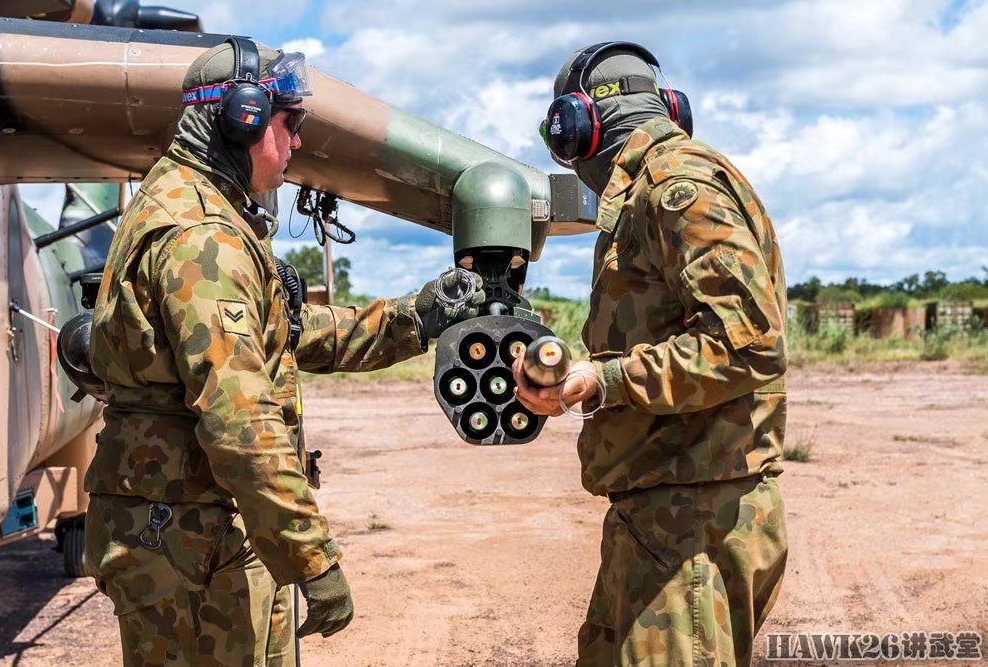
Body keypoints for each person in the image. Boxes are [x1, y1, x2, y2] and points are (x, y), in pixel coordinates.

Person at [84, 38, 481, 666]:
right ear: (242, 119)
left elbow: (281, 335)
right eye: (288, 123)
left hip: (191, 528)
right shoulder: (202, 240)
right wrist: (311, 557)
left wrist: (416, 317)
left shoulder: (196, 204)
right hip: (187, 540)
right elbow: (239, 417)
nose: (297, 142)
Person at [514, 42, 788, 667]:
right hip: (665, 517)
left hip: (690, 525)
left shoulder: (677, 188)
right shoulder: (657, 188)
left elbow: (748, 343)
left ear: (577, 126)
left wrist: (604, 379)